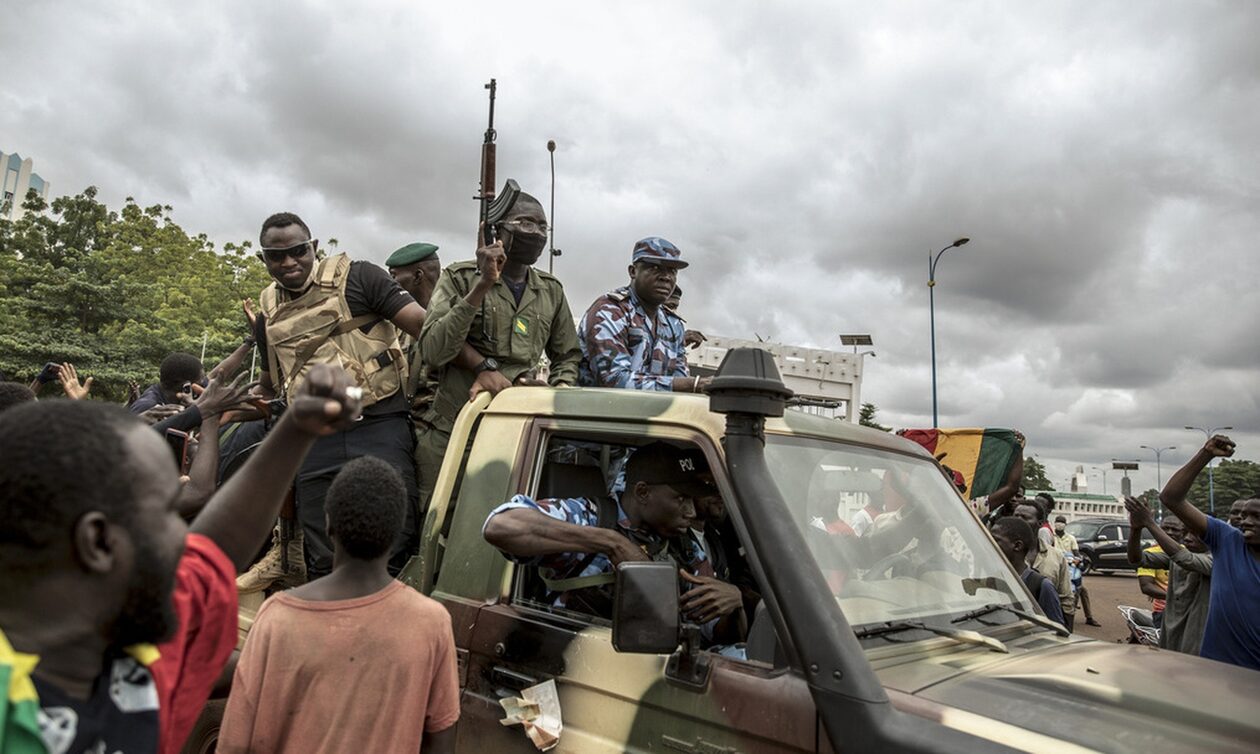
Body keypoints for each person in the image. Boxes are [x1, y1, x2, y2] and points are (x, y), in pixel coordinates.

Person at [0, 364, 362, 754]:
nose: (183, 538)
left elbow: (216, 546)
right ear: (99, 542)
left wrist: (298, 426)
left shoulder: (125, 662)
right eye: (164, 513)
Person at [219, 457, 459, 753]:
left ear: (328, 523)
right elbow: (442, 740)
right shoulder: (432, 621)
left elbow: (234, 743)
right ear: (398, 531)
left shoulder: (279, 617)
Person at [248, 212, 425, 582]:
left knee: (394, 536)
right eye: (276, 256)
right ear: (263, 259)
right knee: (323, 549)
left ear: (313, 247)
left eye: (298, 251)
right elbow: (270, 379)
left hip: (378, 422)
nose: (288, 262)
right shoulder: (267, 307)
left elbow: (425, 328)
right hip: (316, 437)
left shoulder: (360, 277)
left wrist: (484, 366)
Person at [416, 184, 582, 511]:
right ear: (497, 230)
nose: (536, 234)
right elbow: (433, 349)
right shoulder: (460, 277)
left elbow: (568, 356)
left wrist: (554, 394)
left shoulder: (550, 290)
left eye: (542, 227)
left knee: (498, 529)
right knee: (437, 528)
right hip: (454, 432)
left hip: (513, 437)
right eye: (525, 224)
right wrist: (483, 284)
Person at [482, 442, 745, 643]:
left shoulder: (682, 545)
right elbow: (501, 525)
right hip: (570, 658)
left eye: (692, 500)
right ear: (642, 492)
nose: (691, 512)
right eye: (681, 499)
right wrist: (612, 542)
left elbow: (718, 636)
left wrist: (734, 603)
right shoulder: (591, 517)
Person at [1157, 435, 1260, 670]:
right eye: (1245, 516)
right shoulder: (1228, 540)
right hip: (1213, 670)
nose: (1246, 521)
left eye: (1257, 517)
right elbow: (1170, 497)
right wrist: (1206, 454)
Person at [578, 236, 707, 392]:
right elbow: (614, 380)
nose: (665, 277)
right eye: (655, 268)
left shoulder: (673, 324)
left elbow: (680, 379)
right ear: (633, 271)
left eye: (672, 271)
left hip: (650, 413)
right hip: (597, 412)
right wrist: (692, 385)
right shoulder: (609, 311)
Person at [1124, 497, 1213, 655]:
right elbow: (1136, 559)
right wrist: (1136, 529)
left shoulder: (1214, 560)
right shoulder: (1175, 557)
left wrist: (1150, 523)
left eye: (1195, 534)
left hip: (1198, 632)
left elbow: (1186, 559)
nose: (1187, 538)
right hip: (1171, 626)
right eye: (1186, 532)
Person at [386, 241, 444, 423]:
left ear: (418, 276)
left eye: (393, 276)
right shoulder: (395, 323)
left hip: (437, 429)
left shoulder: (450, 322)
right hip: (402, 424)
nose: (389, 283)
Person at [990, 516, 1065, 626]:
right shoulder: (992, 578)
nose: (989, 544)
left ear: (1017, 546)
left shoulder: (1042, 586)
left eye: (995, 540)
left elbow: (1055, 630)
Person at [1013, 501, 1073, 629]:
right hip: (1012, 627)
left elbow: (1066, 598)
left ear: (1040, 523)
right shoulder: (1003, 555)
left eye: (1025, 518)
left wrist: (1068, 633)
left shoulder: (1056, 557)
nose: (1018, 521)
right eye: (1015, 516)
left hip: (1046, 630)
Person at [1054, 515, 1102, 627]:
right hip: (1056, 566)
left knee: (1081, 590)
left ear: (1065, 525)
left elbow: (1076, 553)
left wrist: (1079, 560)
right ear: (1055, 523)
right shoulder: (1052, 537)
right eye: (1058, 522)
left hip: (1070, 567)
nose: (1059, 524)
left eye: (1062, 522)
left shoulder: (1071, 538)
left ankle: (1089, 617)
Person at [128, 352, 205, 414]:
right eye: (199, 385)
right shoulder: (148, 408)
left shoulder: (161, 394)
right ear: (186, 388)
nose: (201, 388)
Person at [1134, 516, 1176, 627]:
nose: (1169, 532)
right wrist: (1178, 598)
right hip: (1164, 611)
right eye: (1165, 528)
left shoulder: (1189, 552)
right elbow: (1146, 586)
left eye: (1175, 529)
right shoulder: (1151, 553)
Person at [662, 284, 707, 350]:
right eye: (670, 306)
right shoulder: (643, 324)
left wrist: (679, 343)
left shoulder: (677, 326)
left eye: (675, 308)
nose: (673, 313)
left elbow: (677, 359)